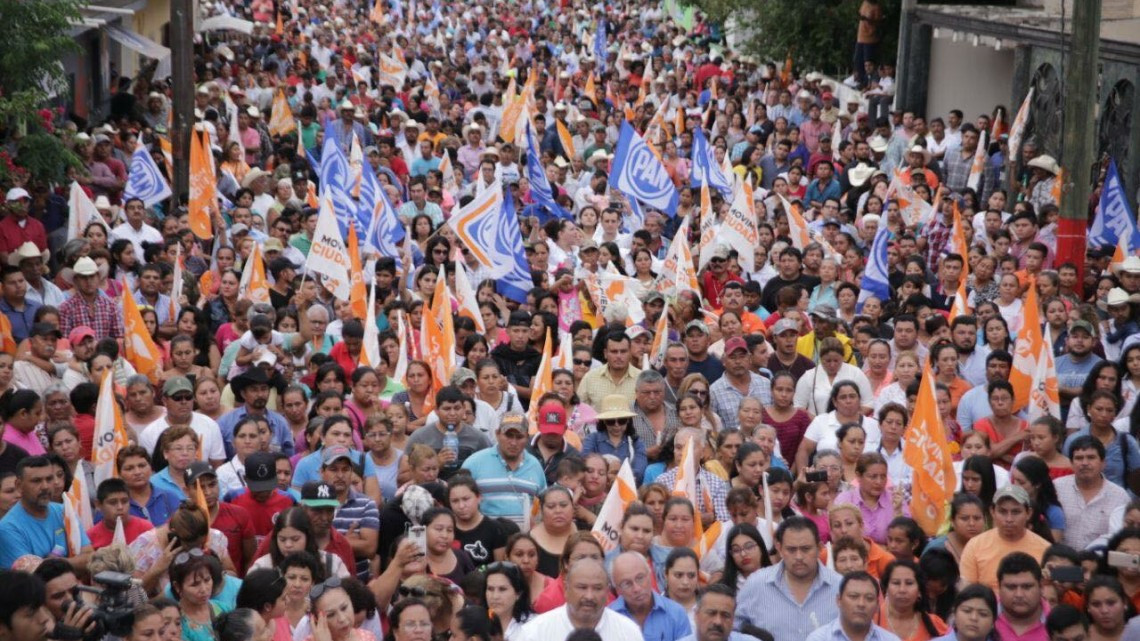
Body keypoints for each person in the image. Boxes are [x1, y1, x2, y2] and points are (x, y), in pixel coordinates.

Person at [735, 517, 842, 640]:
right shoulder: (756, 584)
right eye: (791, 550)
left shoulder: (839, 587)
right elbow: (732, 630)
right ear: (779, 548)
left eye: (805, 549)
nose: (799, 556)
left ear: (819, 548)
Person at [0, 456, 92, 569]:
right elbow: (34, 576)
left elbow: (89, 557)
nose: (45, 486)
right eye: (36, 481)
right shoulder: (8, 528)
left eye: (49, 479)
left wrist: (58, 564)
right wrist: (74, 563)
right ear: (19, 485)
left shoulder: (64, 511)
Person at [517, 559, 645, 641]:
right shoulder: (533, 633)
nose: (589, 596)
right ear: (566, 589)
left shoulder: (628, 632)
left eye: (597, 588)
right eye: (582, 587)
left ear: (607, 592)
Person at [460, 413, 547, 526]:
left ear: (527, 438)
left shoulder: (535, 465)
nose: (513, 442)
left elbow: (545, 504)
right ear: (497, 434)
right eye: (508, 435)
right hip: (486, 539)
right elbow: (459, 500)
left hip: (524, 539)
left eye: (519, 437)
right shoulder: (474, 463)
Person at [959, 485, 1051, 590]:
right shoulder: (975, 546)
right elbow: (967, 591)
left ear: (1028, 513)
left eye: (1016, 512)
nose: (1009, 519)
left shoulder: (1045, 549)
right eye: (1002, 512)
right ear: (992, 512)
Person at [1055, 436, 1131, 551]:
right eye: (1079, 458)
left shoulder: (1120, 496)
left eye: (1091, 457)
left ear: (1103, 463)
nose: (1085, 463)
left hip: (1100, 564)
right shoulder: (1056, 488)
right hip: (1062, 562)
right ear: (1071, 463)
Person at [608, 551, 692, 641]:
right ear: (617, 589)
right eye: (627, 584)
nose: (637, 589)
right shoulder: (608, 618)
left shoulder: (676, 613)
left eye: (640, 578)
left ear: (650, 575)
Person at [804, 571, 902, 641]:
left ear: (877, 605)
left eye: (869, 598)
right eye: (853, 596)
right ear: (839, 600)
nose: (861, 604)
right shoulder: (819, 638)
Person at [995, 553, 1048, 641]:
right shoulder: (981, 615)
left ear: (1041, 587)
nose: (1019, 595)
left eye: (1027, 587)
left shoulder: (1057, 622)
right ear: (999, 587)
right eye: (1011, 587)